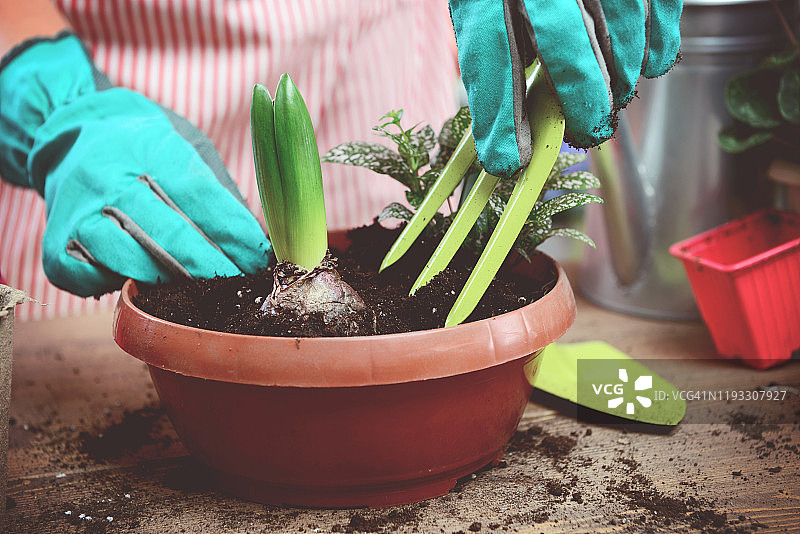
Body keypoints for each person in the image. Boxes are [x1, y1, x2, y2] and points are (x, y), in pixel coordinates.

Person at [0, 0, 681, 320]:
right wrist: (49, 92)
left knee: (410, 259)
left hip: (380, 76)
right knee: (139, 314)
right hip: (127, 150)